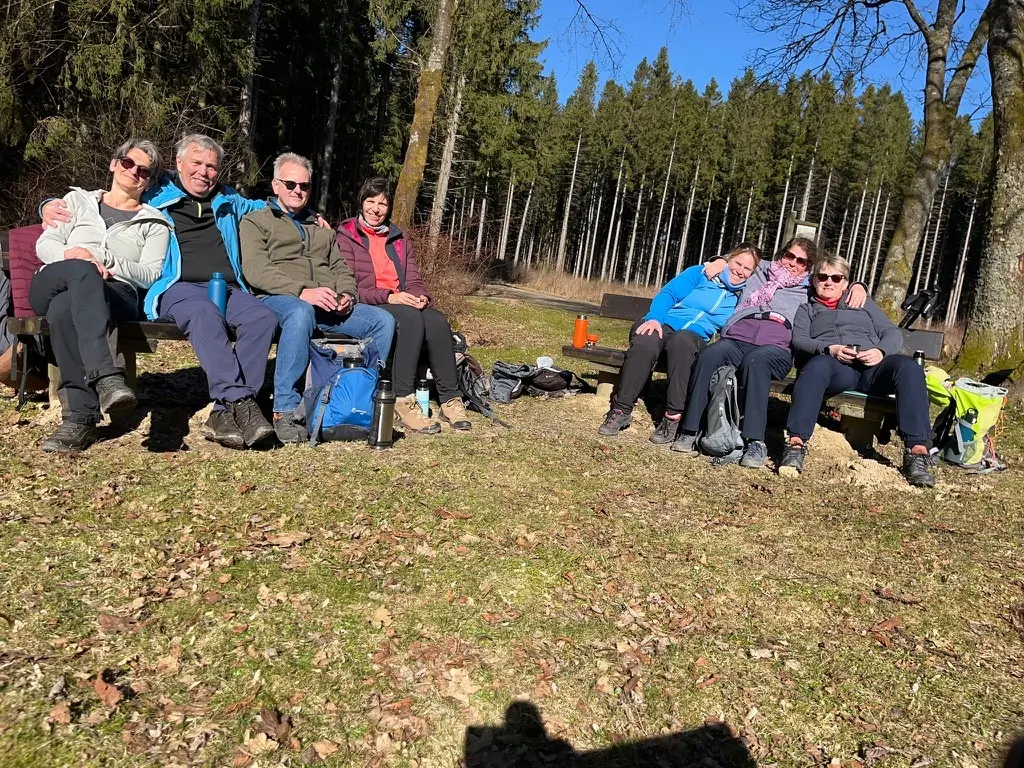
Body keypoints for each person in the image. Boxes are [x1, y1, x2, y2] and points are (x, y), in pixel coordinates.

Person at [44, 134, 279, 449]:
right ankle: (241, 402)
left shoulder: (228, 199)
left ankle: (224, 413)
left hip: (227, 286)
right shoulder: (155, 194)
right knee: (202, 312)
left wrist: (304, 213)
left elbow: (268, 207)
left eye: (212, 166)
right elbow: (112, 192)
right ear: (179, 163)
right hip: (175, 287)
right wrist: (45, 205)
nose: (204, 172)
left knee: (262, 318)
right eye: (196, 163)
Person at [240, 153, 396, 443]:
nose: (298, 190)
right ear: (275, 185)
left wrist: (347, 294)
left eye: (305, 186)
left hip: (326, 303)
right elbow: (256, 270)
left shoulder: (320, 228)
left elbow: (340, 267)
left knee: (382, 320)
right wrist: (302, 291)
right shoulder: (256, 221)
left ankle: (364, 396)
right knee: (300, 312)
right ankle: (285, 410)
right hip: (278, 300)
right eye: (290, 184)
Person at [673, 237, 867, 468]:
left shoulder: (808, 286)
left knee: (756, 362)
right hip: (738, 337)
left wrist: (858, 285)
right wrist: (717, 261)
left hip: (776, 347)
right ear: (780, 255)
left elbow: (833, 279)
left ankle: (754, 440)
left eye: (801, 261)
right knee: (709, 356)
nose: (792, 263)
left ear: (808, 266)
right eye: (789, 256)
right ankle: (690, 429)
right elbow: (739, 261)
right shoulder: (759, 271)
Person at [32, 139, 170, 452]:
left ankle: (79, 420)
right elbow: (45, 244)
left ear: (149, 181)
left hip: (115, 292)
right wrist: (75, 254)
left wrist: (106, 262)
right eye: (128, 163)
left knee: (64, 308)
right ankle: (107, 377)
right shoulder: (76, 201)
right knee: (81, 273)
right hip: (55, 278)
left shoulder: (155, 223)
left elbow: (150, 273)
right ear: (113, 163)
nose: (134, 172)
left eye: (144, 171)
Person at [781, 253, 935, 487]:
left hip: (872, 367)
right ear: (814, 280)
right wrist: (828, 348)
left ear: (845, 282)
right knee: (815, 367)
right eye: (822, 276)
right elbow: (799, 339)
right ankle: (795, 444)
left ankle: (916, 452)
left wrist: (881, 351)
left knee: (909, 369)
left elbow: (892, 332)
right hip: (836, 368)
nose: (828, 282)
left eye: (836, 278)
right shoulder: (807, 309)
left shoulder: (863, 303)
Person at [335, 178, 470, 434]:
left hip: (401, 301)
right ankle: (402, 399)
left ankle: (450, 398)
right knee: (409, 319)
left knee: (436, 320)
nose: (376, 209)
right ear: (361, 202)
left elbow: (414, 279)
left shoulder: (398, 237)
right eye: (370, 201)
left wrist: (420, 296)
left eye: (382, 204)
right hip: (369, 304)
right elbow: (349, 287)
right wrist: (388, 296)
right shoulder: (346, 235)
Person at [598, 243, 762, 442]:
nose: (740, 271)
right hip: (663, 323)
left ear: (753, 273)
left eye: (747, 268)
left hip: (694, 337)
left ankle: (674, 415)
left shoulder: (744, 295)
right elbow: (669, 294)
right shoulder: (700, 273)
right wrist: (655, 318)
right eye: (738, 263)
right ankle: (621, 409)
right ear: (729, 259)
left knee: (682, 340)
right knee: (646, 341)